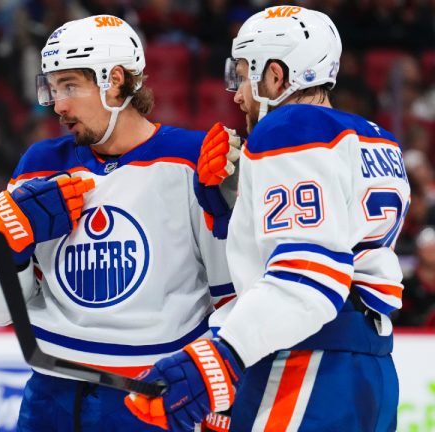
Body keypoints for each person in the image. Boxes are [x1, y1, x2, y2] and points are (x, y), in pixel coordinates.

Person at [126, 6, 408, 431]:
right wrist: (230, 206)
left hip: (307, 360)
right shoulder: (376, 137)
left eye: (242, 74)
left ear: (276, 76)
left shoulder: (289, 127)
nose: (236, 94)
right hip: (369, 366)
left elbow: (307, 277)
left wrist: (222, 356)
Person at [0, 15, 235, 431]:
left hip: (150, 398)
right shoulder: (40, 165)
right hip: (50, 395)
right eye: (53, 88)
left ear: (114, 80)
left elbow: (231, 296)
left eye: (70, 86)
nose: (57, 105)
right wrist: (8, 244)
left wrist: (220, 389)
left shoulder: (193, 160)